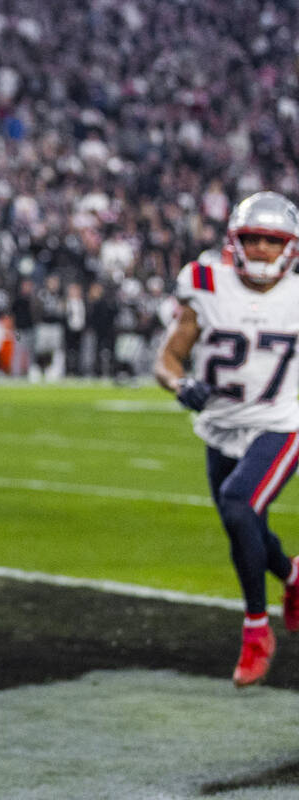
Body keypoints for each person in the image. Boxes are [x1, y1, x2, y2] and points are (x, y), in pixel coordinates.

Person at [153, 191, 299, 688]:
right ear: (234, 241)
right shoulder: (206, 283)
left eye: (271, 240)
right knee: (245, 522)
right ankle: (294, 575)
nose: (260, 249)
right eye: (252, 238)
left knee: (239, 503)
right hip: (219, 424)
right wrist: (180, 384)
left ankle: (257, 631)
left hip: (281, 422)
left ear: (290, 246)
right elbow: (167, 359)